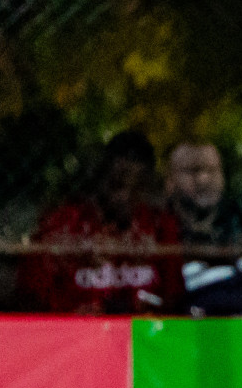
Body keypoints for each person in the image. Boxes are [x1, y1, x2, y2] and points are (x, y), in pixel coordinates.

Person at [18, 130, 184, 314]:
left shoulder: (159, 227)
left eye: (135, 188)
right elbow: (33, 293)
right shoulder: (64, 224)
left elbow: (173, 297)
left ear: (146, 187)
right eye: (116, 185)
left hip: (143, 335)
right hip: (78, 333)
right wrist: (70, 313)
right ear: (102, 178)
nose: (123, 198)